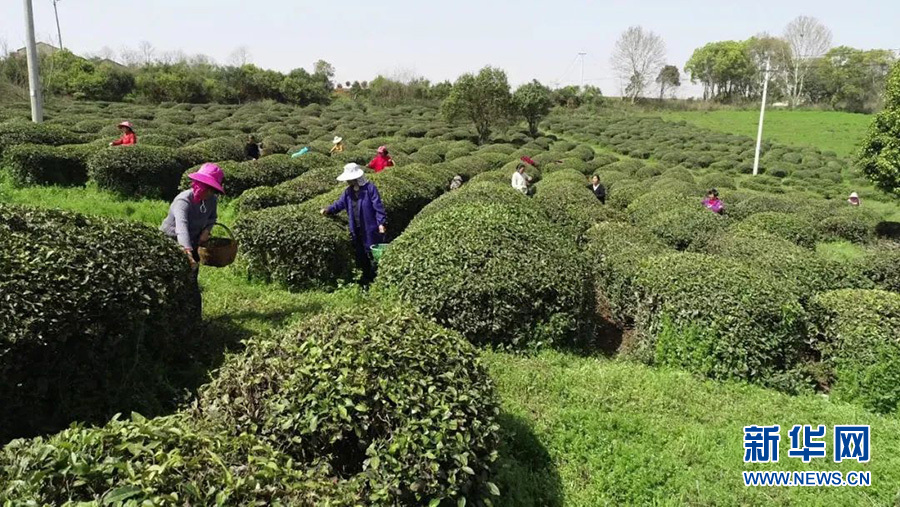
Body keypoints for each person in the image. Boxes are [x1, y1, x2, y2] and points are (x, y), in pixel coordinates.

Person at [160, 163, 225, 311]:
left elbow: (212, 218)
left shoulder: (211, 200)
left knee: (191, 281)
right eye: (208, 188)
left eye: (212, 190)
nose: (210, 193)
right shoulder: (183, 200)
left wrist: (207, 231)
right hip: (172, 241)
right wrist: (187, 251)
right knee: (172, 279)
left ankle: (192, 315)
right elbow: (181, 227)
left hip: (194, 241)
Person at [320, 163, 387, 286]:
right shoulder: (348, 192)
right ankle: (366, 279)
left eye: (349, 179)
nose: (347, 182)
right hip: (356, 228)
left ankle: (377, 279)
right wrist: (328, 209)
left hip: (370, 227)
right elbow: (339, 204)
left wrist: (381, 223)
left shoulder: (370, 189)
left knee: (372, 253)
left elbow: (378, 207)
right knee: (361, 255)